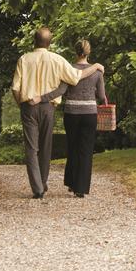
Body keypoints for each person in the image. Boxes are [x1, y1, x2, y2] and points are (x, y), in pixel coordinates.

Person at [11, 27, 102, 199]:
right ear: (49, 43)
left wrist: (20, 103)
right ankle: (42, 182)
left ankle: (37, 188)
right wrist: (96, 66)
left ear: (34, 41)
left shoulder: (24, 59)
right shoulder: (57, 60)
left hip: (28, 106)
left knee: (31, 148)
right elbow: (76, 76)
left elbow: (15, 88)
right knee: (46, 146)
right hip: (48, 108)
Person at [31, 38, 107, 197]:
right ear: (89, 52)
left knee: (72, 147)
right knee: (85, 150)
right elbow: (100, 95)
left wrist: (42, 98)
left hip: (71, 114)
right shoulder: (97, 72)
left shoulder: (69, 69)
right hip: (89, 114)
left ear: (75, 51)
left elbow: (60, 91)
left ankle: (72, 183)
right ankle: (80, 188)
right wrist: (103, 98)